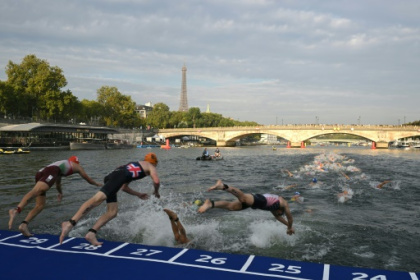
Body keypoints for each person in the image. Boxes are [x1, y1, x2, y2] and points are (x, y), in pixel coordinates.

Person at [59, 153, 160, 246]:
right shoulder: (151, 166)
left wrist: (138, 194)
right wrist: (156, 192)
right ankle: (69, 223)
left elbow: (124, 187)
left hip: (113, 176)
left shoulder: (136, 165)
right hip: (118, 177)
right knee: (96, 200)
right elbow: (156, 181)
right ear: (154, 163)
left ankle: (91, 233)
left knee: (112, 212)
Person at [8, 156, 102, 237]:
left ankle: (24, 225)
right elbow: (87, 178)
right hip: (50, 171)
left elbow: (58, 184)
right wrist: (96, 184)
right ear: (75, 162)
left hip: (41, 173)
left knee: (40, 205)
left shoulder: (61, 167)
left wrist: (60, 193)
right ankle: (17, 209)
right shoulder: (76, 165)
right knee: (38, 190)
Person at [198, 180, 295, 235]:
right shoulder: (283, 203)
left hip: (256, 204)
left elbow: (278, 218)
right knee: (243, 198)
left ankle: (211, 204)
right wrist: (289, 227)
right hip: (260, 199)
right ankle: (223, 186)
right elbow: (290, 218)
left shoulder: (275, 210)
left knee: (231, 207)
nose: (278, 215)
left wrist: (287, 226)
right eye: (279, 213)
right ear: (280, 210)